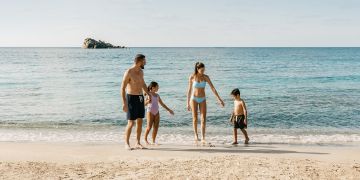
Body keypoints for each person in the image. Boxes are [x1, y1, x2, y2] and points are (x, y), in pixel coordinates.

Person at [187, 62, 225, 146]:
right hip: (193, 99)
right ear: (197, 69)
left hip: (202, 99)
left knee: (203, 119)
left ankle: (203, 137)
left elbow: (213, 88)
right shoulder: (192, 77)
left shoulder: (206, 77)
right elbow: (189, 90)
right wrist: (187, 103)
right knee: (195, 118)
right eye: (202, 70)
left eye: (204, 70)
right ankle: (196, 135)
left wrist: (219, 99)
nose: (203, 71)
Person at [121, 54, 151, 150]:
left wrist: (148, 94)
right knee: (131, 122)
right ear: (139, 61)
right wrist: (124, 103)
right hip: (131, 98)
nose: (145, 63)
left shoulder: (141, 72)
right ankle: (126, 143)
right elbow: (122, 88)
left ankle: (138, 142)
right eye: (144, 61)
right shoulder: (129, 72)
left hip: (140, 97)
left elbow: (143, 84)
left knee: (140, 121)